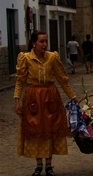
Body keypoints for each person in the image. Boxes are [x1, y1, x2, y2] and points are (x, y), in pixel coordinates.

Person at [14, 30, 79, 176]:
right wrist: (17, 101)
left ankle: (49, 166)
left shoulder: (52, 57)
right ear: (33, 43)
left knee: (51, 129)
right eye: (41, 41)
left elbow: (62, 79)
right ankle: (38, 166)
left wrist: (73, 97)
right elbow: (19, 81)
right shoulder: (25, 58)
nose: (44, 44)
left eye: (46, 41)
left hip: (50, 97)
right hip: (33, 98)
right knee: (36, 130)